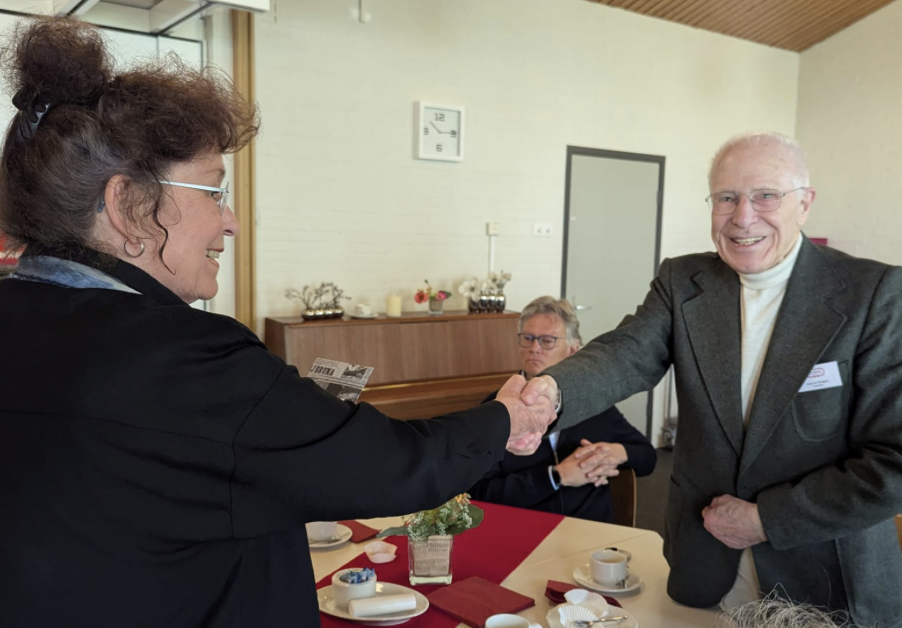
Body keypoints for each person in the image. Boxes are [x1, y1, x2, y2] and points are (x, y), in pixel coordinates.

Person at [0, 18, 554, 628]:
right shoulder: (178, 354)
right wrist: (508, 417)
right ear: (127, 204)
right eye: (213, 191)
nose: (230, 220)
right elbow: (394, 468)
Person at [522, 132, 902, 627]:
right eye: (726, 198)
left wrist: (768, 518)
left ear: (804, 204)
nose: (743, 217)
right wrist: (549, 392)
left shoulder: (873, 293)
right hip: (707, 560)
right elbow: (626, 354)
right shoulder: (683, 282)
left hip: (826, 571)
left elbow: (893, 460)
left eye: (766, 195)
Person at [470, 297, 656, 522]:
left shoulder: (595, 402)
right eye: (527, 338)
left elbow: (648, 457)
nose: (534, 348)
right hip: (523, 534)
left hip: (591, 537)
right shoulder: (496, 407)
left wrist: (611, 453)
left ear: (573, 350)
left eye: (547, 341)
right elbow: (480, 493)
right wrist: (556, 476)